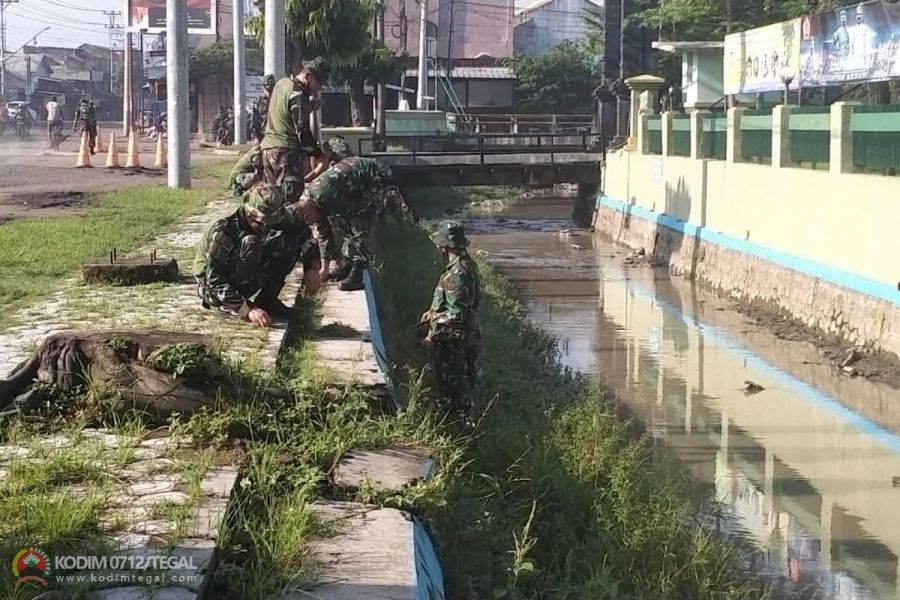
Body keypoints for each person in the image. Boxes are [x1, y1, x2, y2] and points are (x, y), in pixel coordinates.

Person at [193, 183, 321, 325]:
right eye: (261, 223)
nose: (265, 227)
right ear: (248, 213)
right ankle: (233, 305)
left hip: (245, 272)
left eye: (270, 222)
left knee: (288, 241)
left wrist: (312, 267)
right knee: (251, 243)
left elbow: (302, 232)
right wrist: (248, 310)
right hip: (212, 286)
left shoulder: (275, 216)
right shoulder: (224, 229)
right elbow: (214, 279)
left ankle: (268, 300)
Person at [289, 143, 410, 292]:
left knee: (359, 223)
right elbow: (322, 232)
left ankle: (357, 273)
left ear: (307, 215)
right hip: (356, 185)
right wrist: (324, 269)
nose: (310, 224)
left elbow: (350, 223)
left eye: (307, 222)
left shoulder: (325, 195)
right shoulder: (308, 203)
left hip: (377, 177)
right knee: (342, 226)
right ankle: (346, 264)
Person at [419, 221, 481, 425]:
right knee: (463, 382)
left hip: (453, 340)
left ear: (444, 246)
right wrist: (433, 312)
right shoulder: (466, 265)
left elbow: (456, 316)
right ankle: (461, 424)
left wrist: (432, 330)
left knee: (456, 388)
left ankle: (462, 429)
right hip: (464, 335)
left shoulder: (457, 274)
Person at [261, 58, 330, 201]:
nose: (319, 89)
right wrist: (319, 155)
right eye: (319, 84)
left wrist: (308, 108)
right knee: (290, 202)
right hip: (285, 153)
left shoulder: (282, 84)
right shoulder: (298, 95)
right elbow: (302, 132)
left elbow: (284, 114)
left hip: (268, 149)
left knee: (272, 200)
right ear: (309, 77)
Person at [250, 74, 276, 142]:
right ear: (263, 88)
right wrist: (256, 137)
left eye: (272, 88)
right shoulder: (258, 102)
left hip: (277, 135)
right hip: (264, 135)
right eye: (267, 89)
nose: (269, 92)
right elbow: (254, 121)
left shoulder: (279, 100)